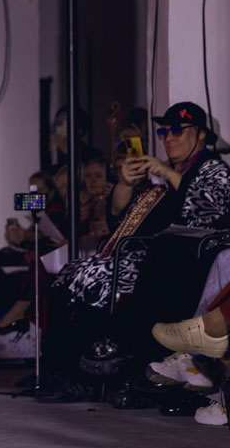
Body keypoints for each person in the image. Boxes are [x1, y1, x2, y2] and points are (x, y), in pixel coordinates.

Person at [53, 102, 230, 311]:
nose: (168, 138)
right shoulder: (164, 173)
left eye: (177, 130)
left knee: (92, 276)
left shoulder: (212, 167)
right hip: (145, 257)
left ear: (201, 134)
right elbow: (120, 217)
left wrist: (166, 172)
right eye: (164, 132)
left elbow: (210, 204)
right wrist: (125, 184)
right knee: (69, 272)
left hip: (179, 263)